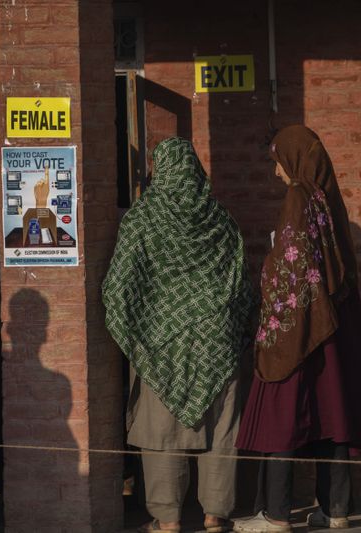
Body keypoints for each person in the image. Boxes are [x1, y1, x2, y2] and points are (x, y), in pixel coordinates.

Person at [102, 137, 254, 533]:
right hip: (216, 342)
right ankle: (215, 516)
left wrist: (138, 330)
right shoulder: (221, 219)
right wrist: (224, 324)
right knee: (220, 431)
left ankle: (167, 519)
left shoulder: (144, 218)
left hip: (160, 346)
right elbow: (243, 286)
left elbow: (117, 288)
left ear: (160, 171)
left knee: (162, 431)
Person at [234, 126, 361, 533]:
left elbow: (290, 267)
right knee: (330, 413)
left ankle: (276, 514)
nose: (277, 173)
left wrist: (273, 329)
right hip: (330, 328)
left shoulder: (298, 196)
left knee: (281, 412)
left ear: (293, 160)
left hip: (300, 327)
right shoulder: (328, 200)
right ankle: (335, 510)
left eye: (279, 162)